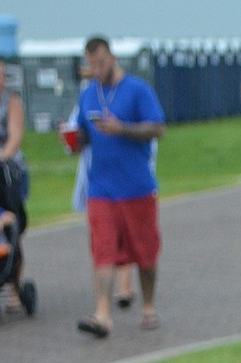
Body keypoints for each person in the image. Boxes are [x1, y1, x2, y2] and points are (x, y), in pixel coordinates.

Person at [74, 36, 165, 338]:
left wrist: (122, 128)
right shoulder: (87, 94)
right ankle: (102, 314)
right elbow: (85, 133)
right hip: (100, 188)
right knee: (102, 251)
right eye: (91, 64)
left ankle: (149, 305)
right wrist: (74, 140)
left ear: (111, 57)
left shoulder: (138, 89)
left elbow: (157, 128)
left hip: (136, 188)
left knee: (145, 252)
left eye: (101, 62)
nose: (97, 69)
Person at [0, 57, 28, 310]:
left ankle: (15, 285)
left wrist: (2, 155)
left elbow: (14, 138)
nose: (0, 82)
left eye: (2, 76)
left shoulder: (11, 102)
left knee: (13, 225)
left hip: (8, 172)